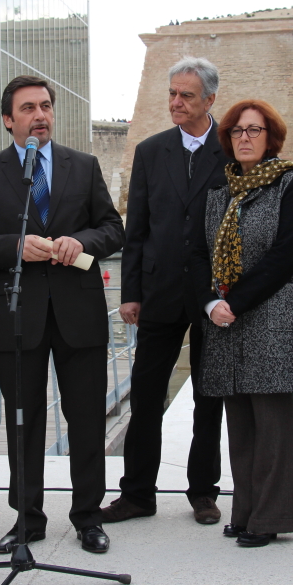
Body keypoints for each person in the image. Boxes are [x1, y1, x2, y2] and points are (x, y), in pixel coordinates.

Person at [0, 75, 125, 554]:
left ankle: (88, 516)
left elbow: (113, 229)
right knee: (23, 423)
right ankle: (27, 520)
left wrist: (83, 241)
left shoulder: (84, 165)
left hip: (80, 314)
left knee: (87, 419)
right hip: (19, 317)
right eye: (28, 108)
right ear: (9, 120)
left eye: (45, 106)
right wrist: (16, 247)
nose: (39, 115)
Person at [191, 99, 293, 547]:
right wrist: (211, 302)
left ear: (271, 139)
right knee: (239, 421)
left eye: (254, 131)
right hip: (224, 316)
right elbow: (195, 255)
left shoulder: (289, 183)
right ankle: (245, 510)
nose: (244, 138)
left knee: (270, 421)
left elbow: (285, 254)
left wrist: (235, 301)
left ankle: (272, 516)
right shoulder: (218, 193)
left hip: (271, 313)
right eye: (237, 132)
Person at [103, 56, 228, 526]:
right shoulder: (152, 151)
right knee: (146, 395)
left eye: (186, 96)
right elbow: (137, 228)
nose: (176, 102)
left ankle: (203, 493)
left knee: (208, 398)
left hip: (213, 295)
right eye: (172, 94)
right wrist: (129, 293)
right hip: (157, 293)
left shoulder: (230, 149)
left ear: (209, 100)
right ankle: (137, 494)